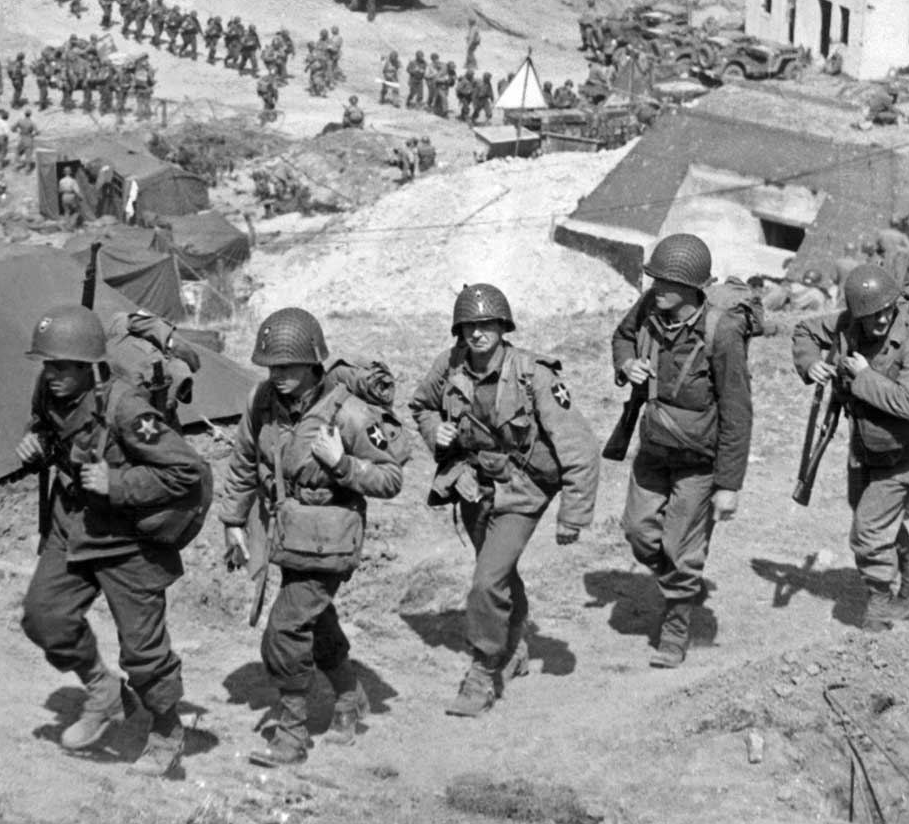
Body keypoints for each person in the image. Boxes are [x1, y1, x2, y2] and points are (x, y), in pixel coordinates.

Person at [17, 307, 208, 779]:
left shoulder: (125, 407)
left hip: (128, 539)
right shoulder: (49, 392)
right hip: (74, 522)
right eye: (48, 364)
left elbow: (186, 472)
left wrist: (118, 483)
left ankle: (166, 729)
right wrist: (35, 448)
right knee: (45, 617)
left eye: (63, 366)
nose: (52, 375)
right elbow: (47, 432)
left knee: (143, 654)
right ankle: (103, 690)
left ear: (88, 365)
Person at [216, 309, 410, 767]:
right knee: (315, 620)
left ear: (313, 364)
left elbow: (391, 478)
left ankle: (292, 734)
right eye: (271, 367)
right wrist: (232, 520)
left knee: (284, 631)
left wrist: (343, 464)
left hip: (330, 537)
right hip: (287, 533)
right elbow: (246, 460)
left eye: (288, 367)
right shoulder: (262, 401)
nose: (278, 376)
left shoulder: (349, 414)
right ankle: (348, 697)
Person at [410, 284, 597, 713]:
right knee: (498, 571)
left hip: (524, 488)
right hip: (473, 484)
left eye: (486, 324)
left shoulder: (534, 375)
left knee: (486, 580)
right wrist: (433, 431)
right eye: (469, 326)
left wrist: (573, 514)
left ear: (502, 326)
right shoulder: (450, 365)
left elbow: (578, 446)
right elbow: (420, 405)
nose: (477, 333)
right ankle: (514, 647)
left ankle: (482, 671)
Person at [610, 235, 752, 666]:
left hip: (699, 462)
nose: (657, 286)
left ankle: (675, 625)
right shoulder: (650, 309)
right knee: (638, 532)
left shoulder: (721, 332)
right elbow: (622, 337)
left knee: (681, 547)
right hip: (653, 450)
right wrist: (626, 364)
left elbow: (738, 412)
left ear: (694, 287)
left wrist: (729, 485)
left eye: (668, 281)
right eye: (655, 278)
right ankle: (681, 582)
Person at [792, 261, 909, 630]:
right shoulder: (850, 322)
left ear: (895, 304)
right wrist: (811, 365)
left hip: (905, 454)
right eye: (870, 316)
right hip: (866, 447)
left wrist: (862, 377)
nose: (878, 322)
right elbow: (805, 330)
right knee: (867, 513)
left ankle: (879, 602)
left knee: (869, 531)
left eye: (885, 312)